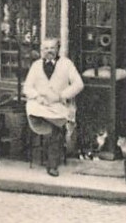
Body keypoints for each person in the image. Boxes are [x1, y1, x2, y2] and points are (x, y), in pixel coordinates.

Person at [23, 38, 83, 176]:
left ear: (58, 49)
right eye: (46, 48)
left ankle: (52, 165)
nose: (49, 51)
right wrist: (37, 96)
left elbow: (79, 84)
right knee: (51, 126)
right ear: (41, 51)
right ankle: (52, 149)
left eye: (52, 48)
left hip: (57, 105)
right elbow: (27, 87)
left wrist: (62, 95)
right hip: (39, 105)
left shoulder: (66, 64)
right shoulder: (36, 65)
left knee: (55, 127)